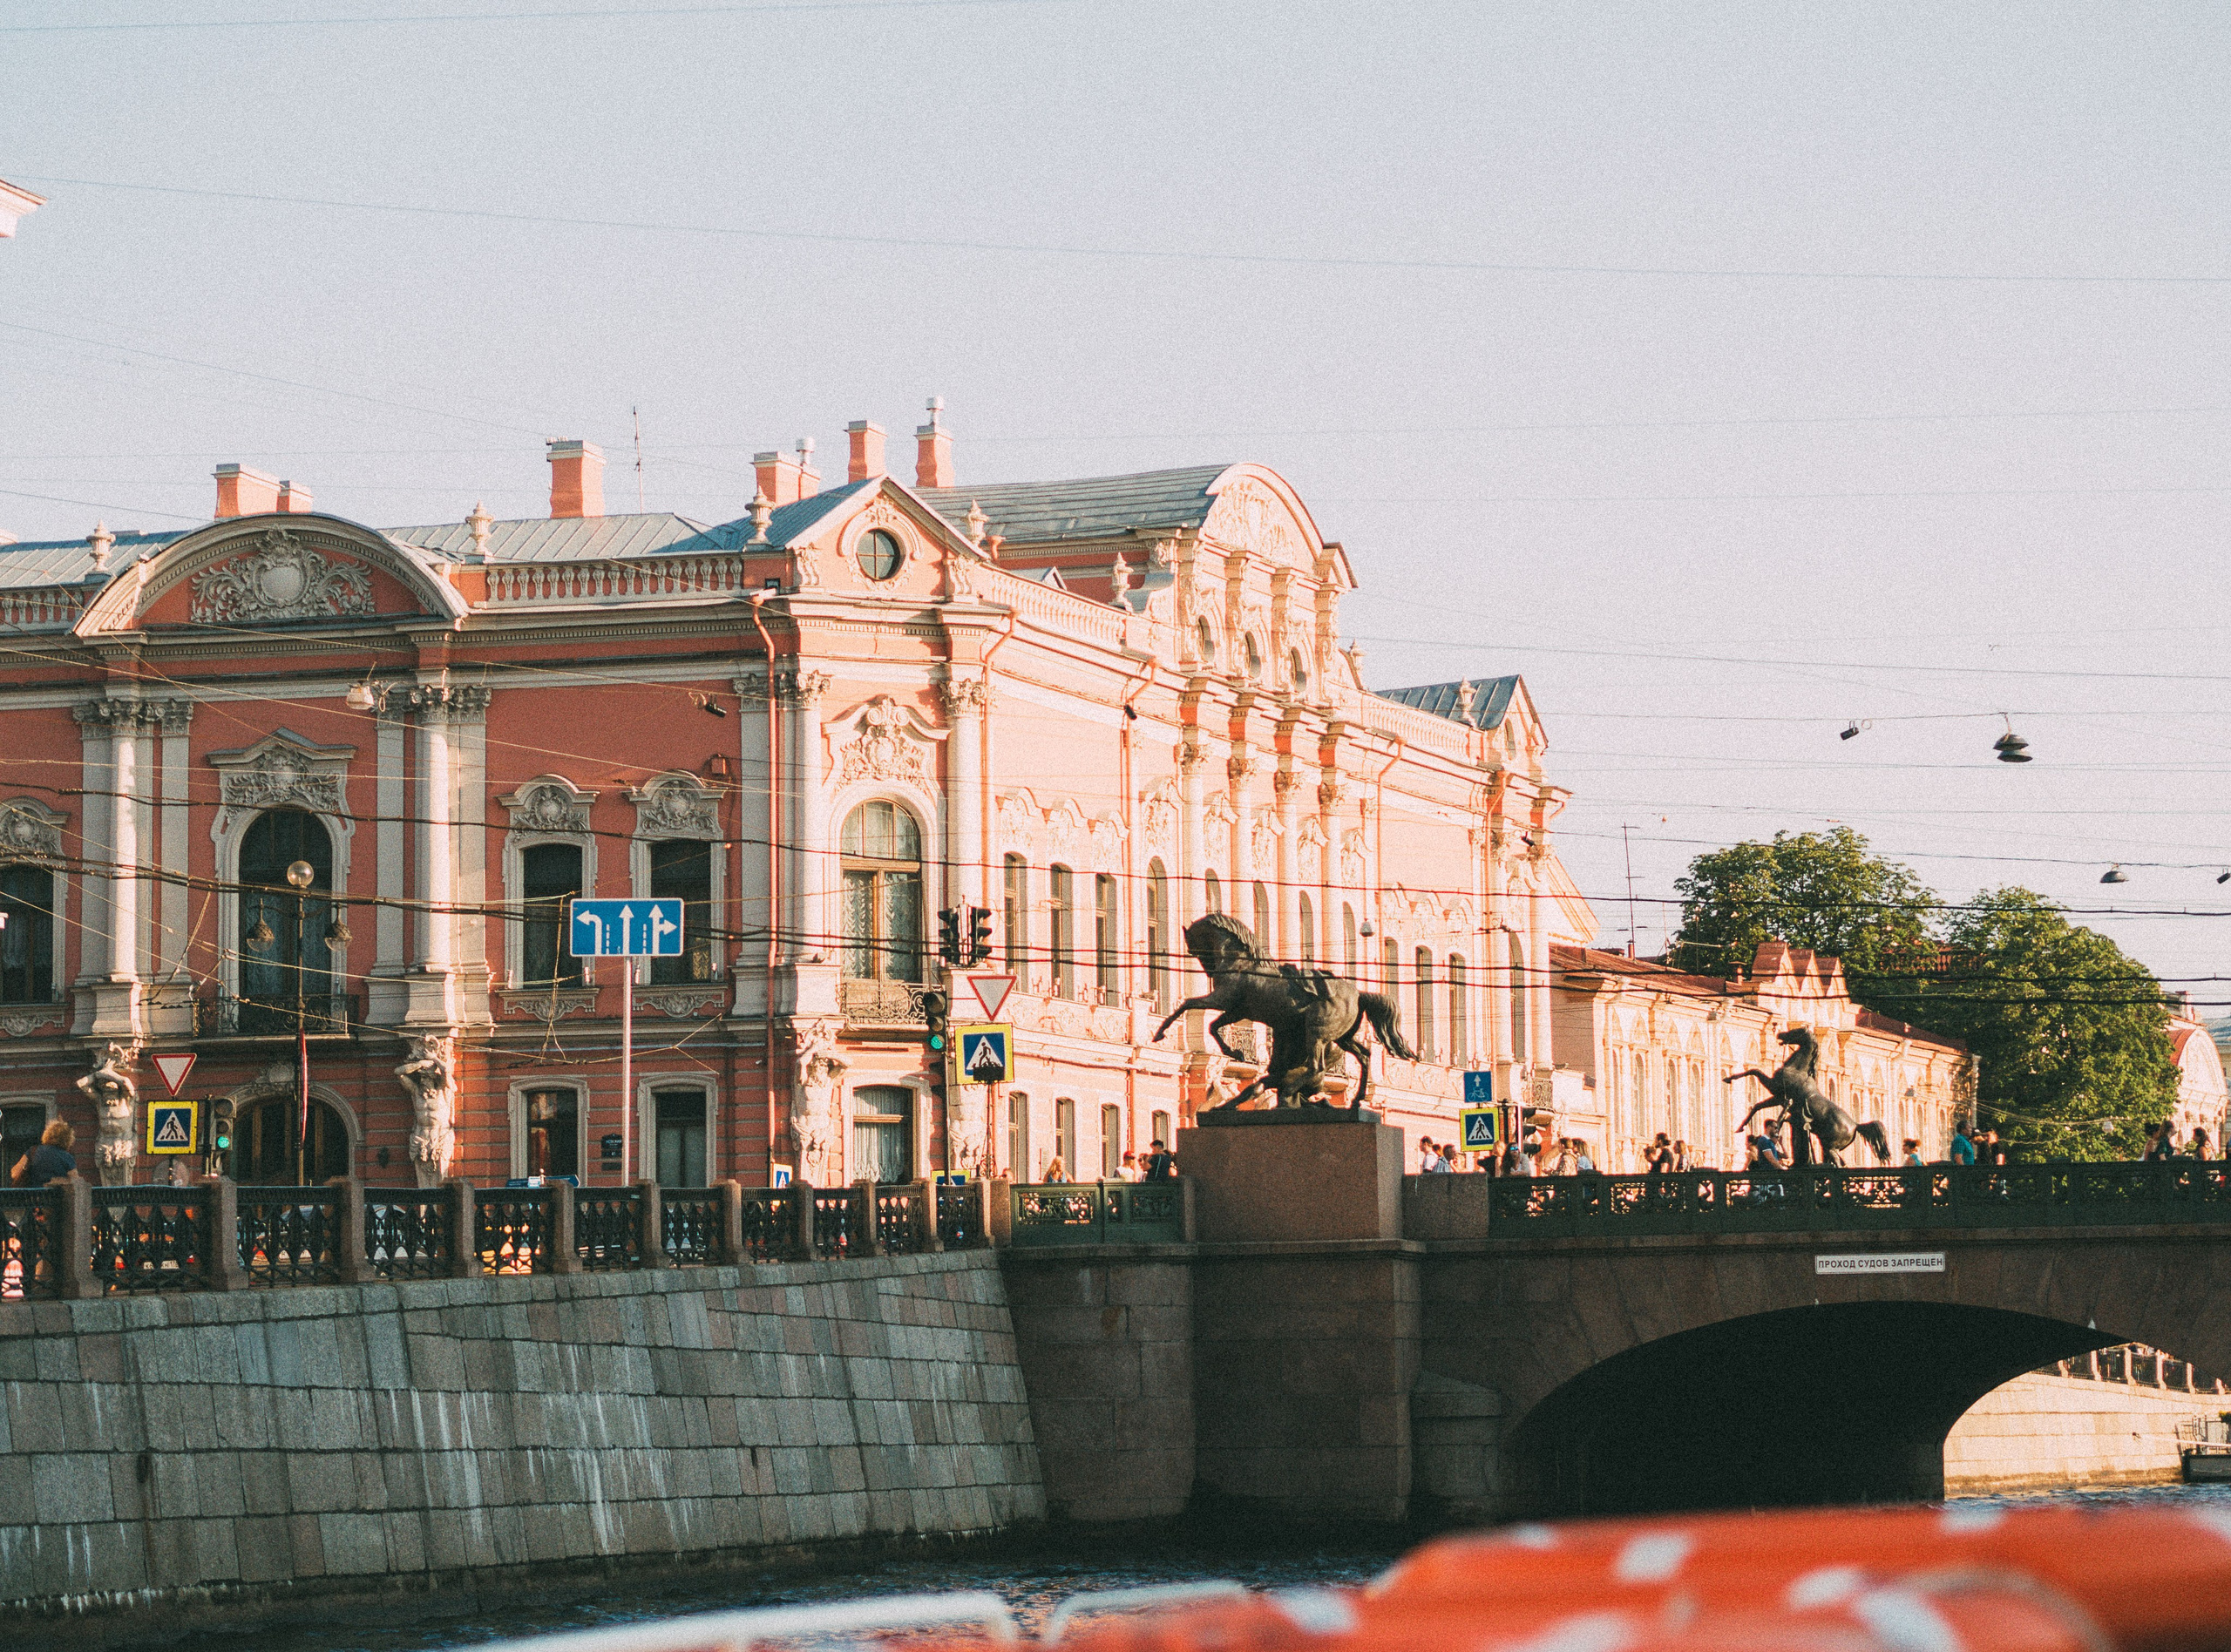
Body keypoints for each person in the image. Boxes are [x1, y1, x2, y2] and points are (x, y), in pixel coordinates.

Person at [9, 1119, 75, 1186]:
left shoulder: (33, 1151)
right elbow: (74, 1181)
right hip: (56, 1195)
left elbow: (14, 1173)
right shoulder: (66, 1157)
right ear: (68, 1139)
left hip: (33, 1194)